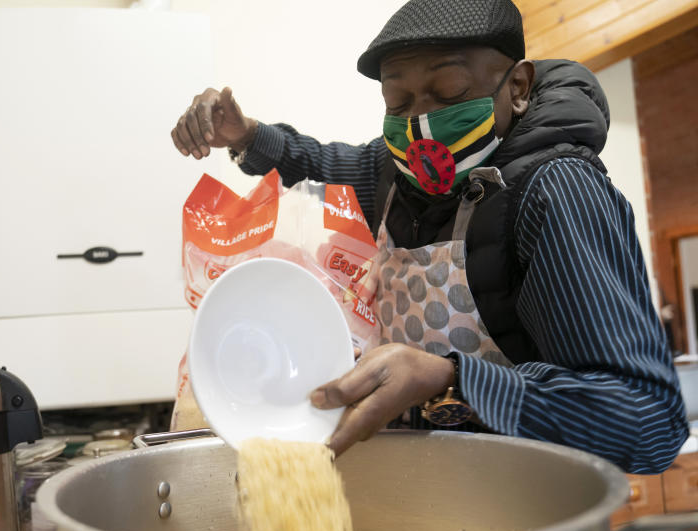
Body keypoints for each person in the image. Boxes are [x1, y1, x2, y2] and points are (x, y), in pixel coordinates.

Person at [170, 0, 689, 474]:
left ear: (519, 87)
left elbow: (644, 420)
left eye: (449, 95)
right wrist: (245, 134)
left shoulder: (556, 193)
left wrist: (451, 378)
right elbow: (324, 161)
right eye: (397, 102)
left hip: (524, 525)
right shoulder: (396, 175)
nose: (419, 124)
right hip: (421, 500)